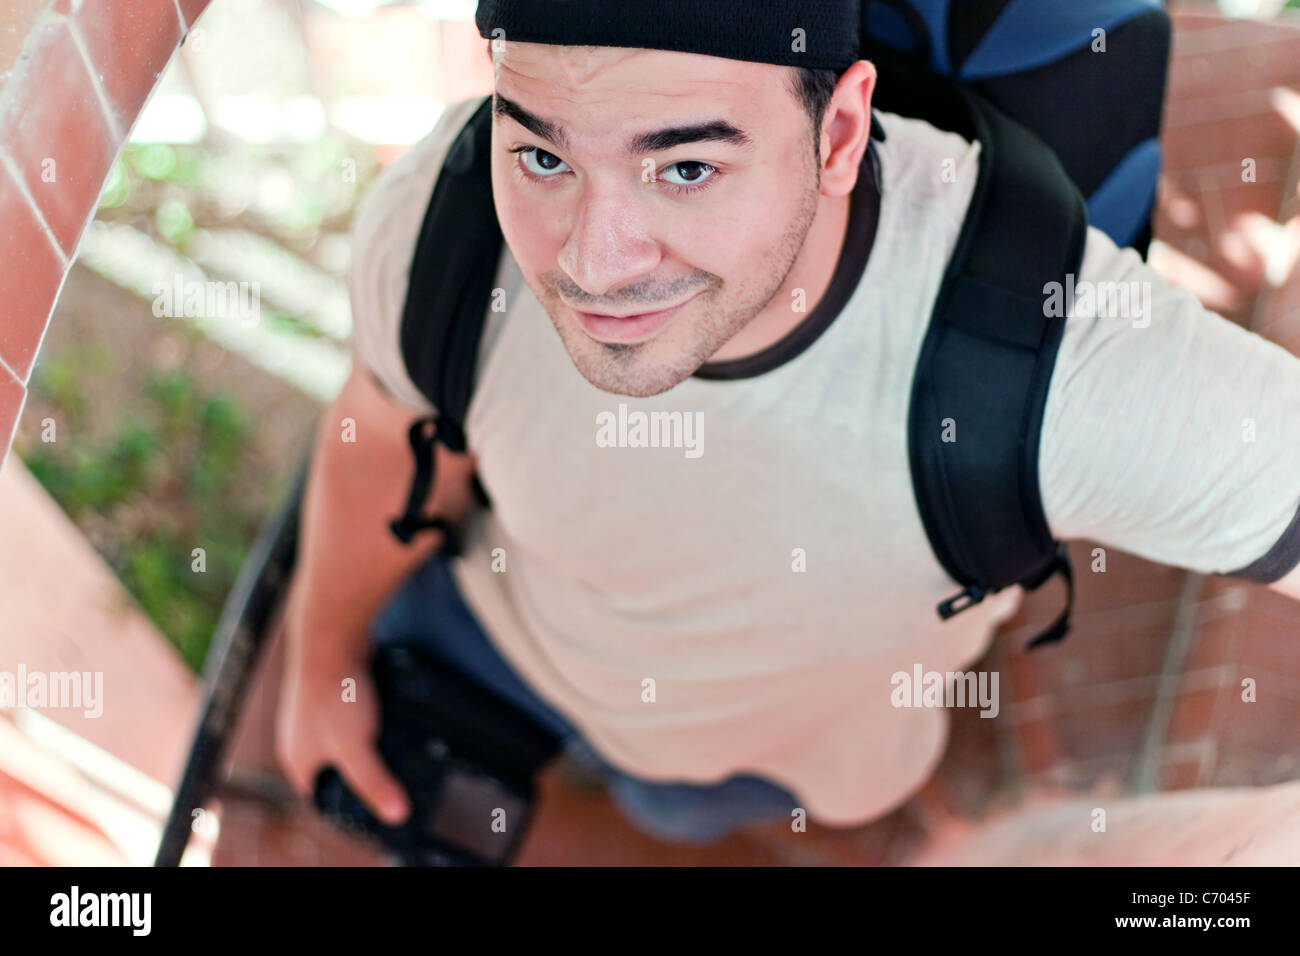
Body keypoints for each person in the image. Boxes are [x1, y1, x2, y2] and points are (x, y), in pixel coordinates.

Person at [276, 0, 1300, 848]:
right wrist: (321, 658)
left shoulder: (1046, 366)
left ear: (839, 135)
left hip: (803, 751)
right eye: (542, 157)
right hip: (507, 637)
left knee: (676, 803)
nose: (593, 263)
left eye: (683, 168)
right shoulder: (440, 224)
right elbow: (378, 431)